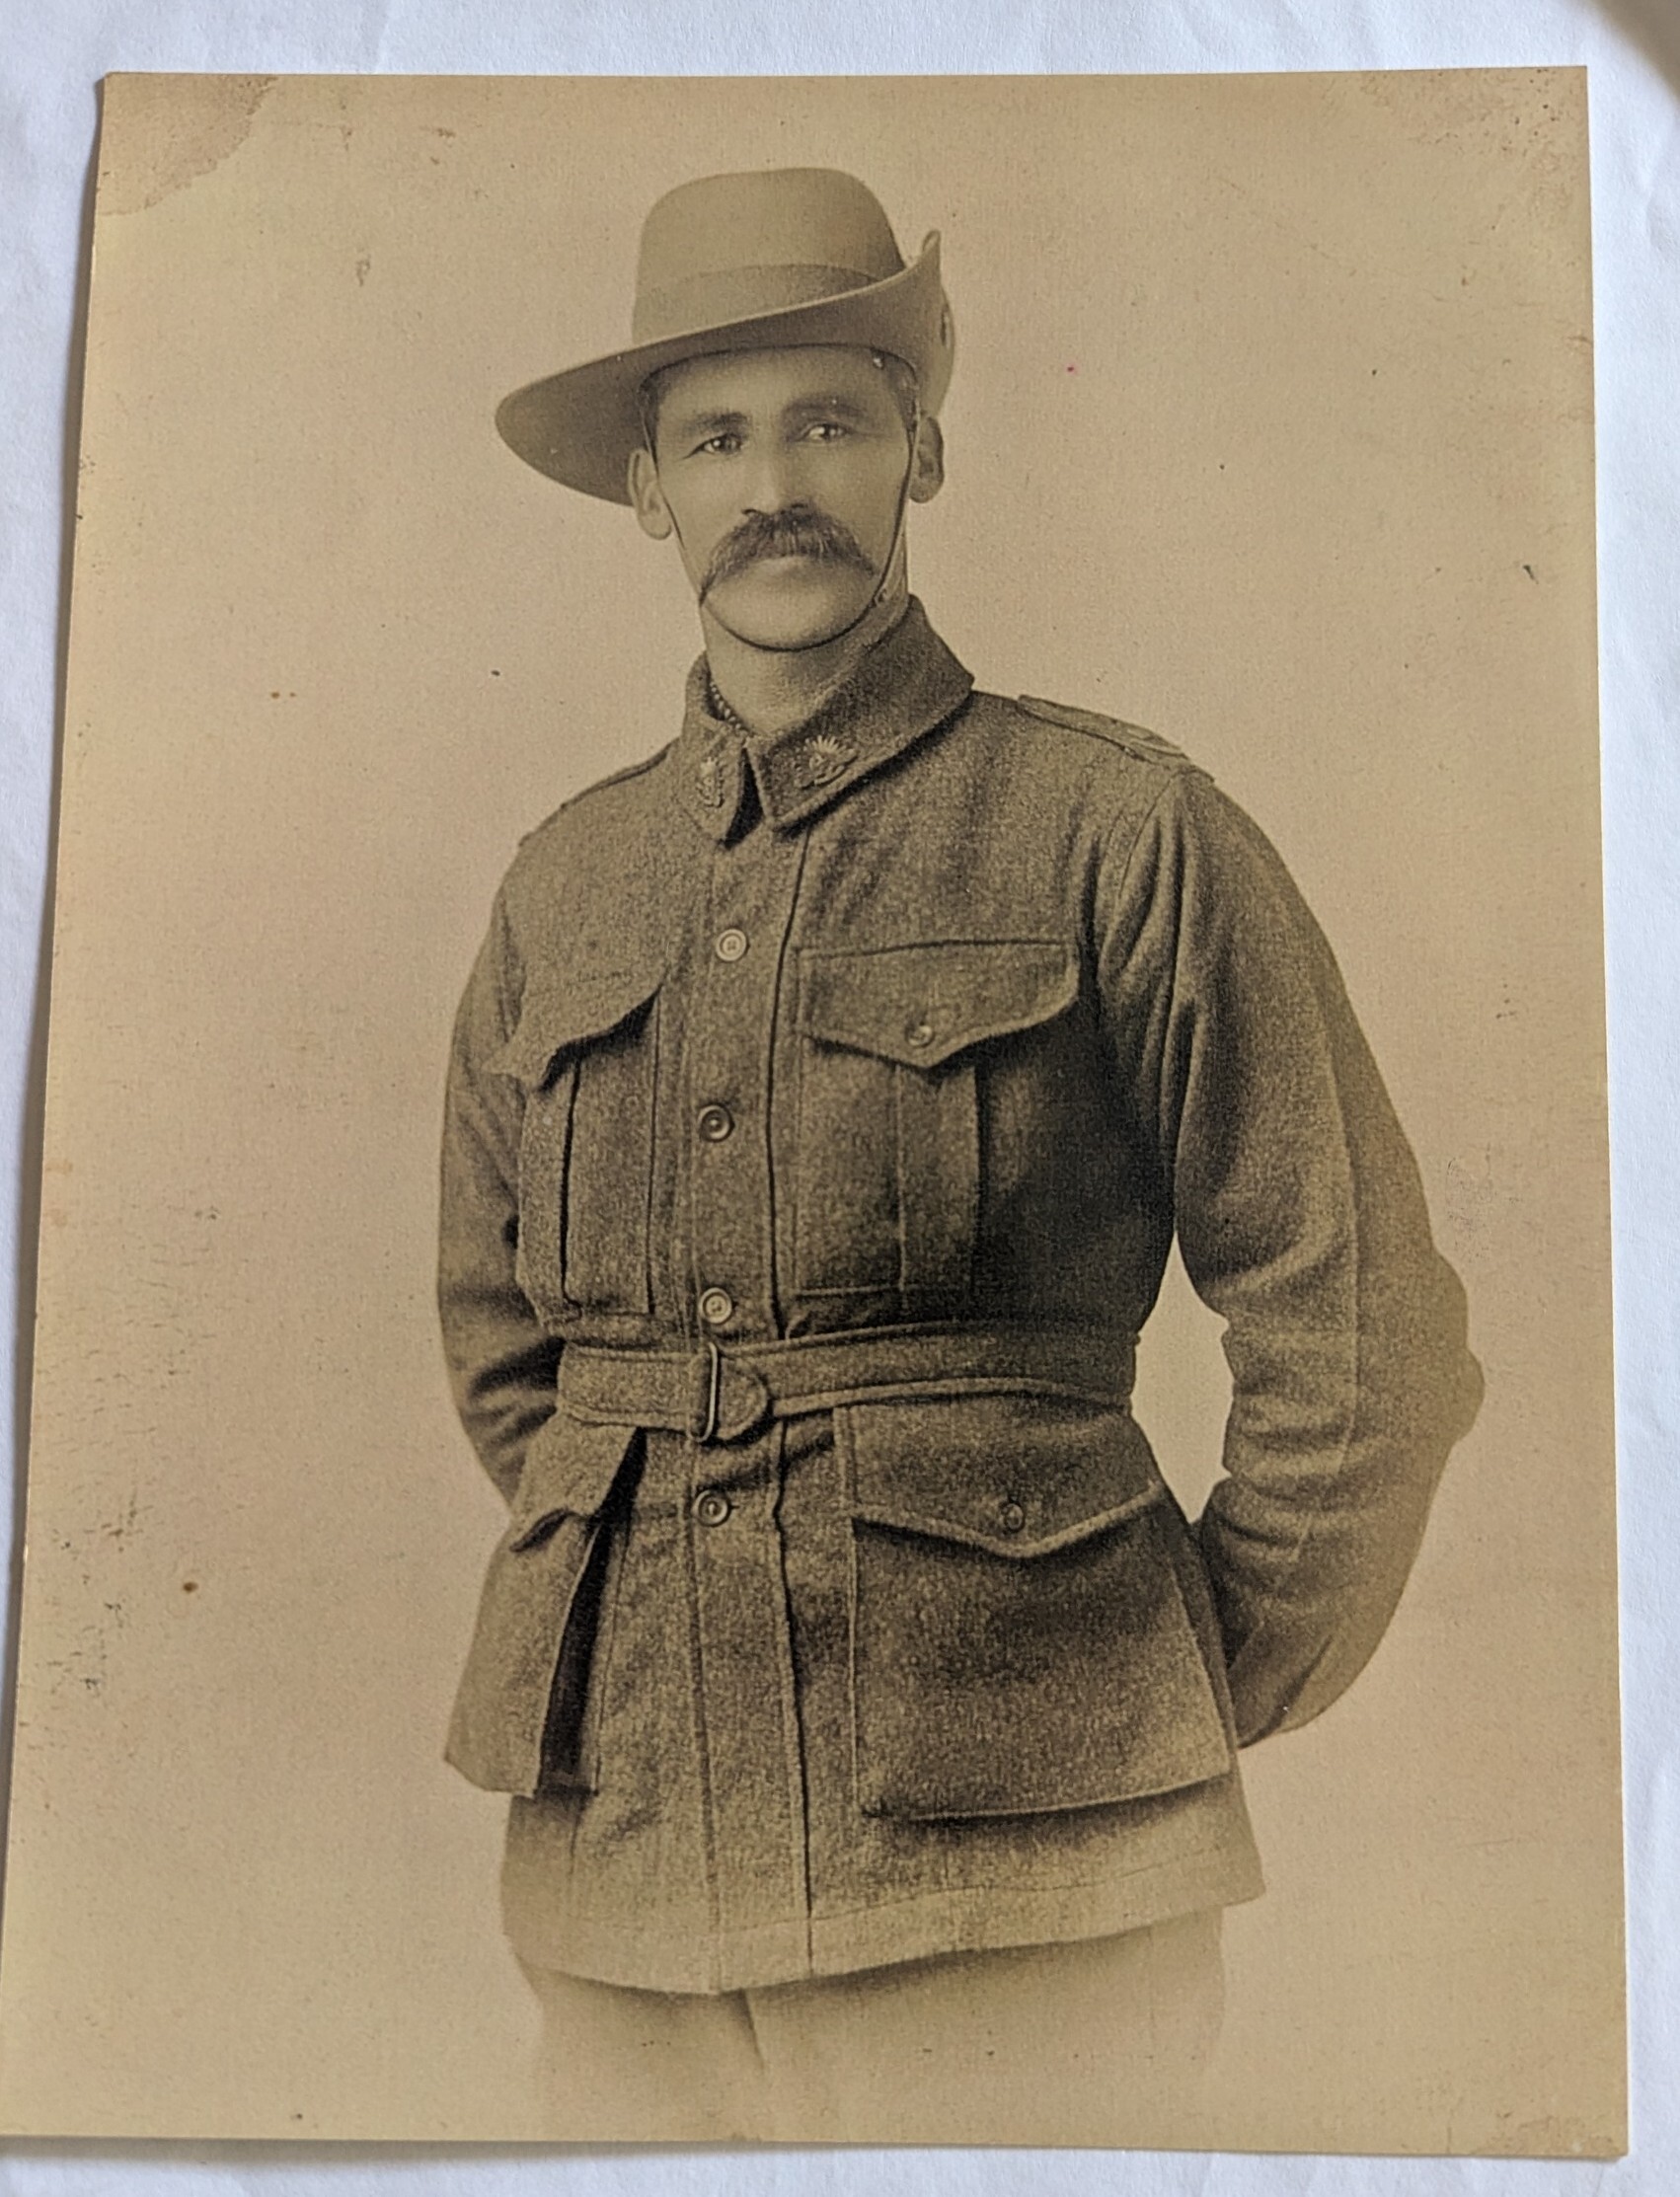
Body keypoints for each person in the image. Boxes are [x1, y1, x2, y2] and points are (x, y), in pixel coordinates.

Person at [436, 165, 1483, 2143]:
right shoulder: (561, 883)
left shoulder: (1116, 828)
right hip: (619, 1876)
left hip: (1033, 1883)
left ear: (921, 443)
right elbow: (509, 1353)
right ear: (644, 492)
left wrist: (1149, 1681)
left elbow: (1359, 1324)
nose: (775, 485)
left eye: (826, 419)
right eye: (716, 436)